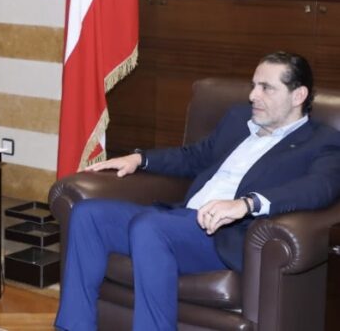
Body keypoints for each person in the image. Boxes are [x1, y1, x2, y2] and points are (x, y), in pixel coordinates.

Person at [55, 51, 340, 331]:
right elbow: (194, 156)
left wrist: (247, 204)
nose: (253, 95)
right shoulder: (239, 119)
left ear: (298, 95)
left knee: (149, 227)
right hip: (180, 219)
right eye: (254, 85)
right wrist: (139, 159)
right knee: (87, 214)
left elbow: (318, 188)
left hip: (224, 235)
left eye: (266, 88)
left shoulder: (320, 141)